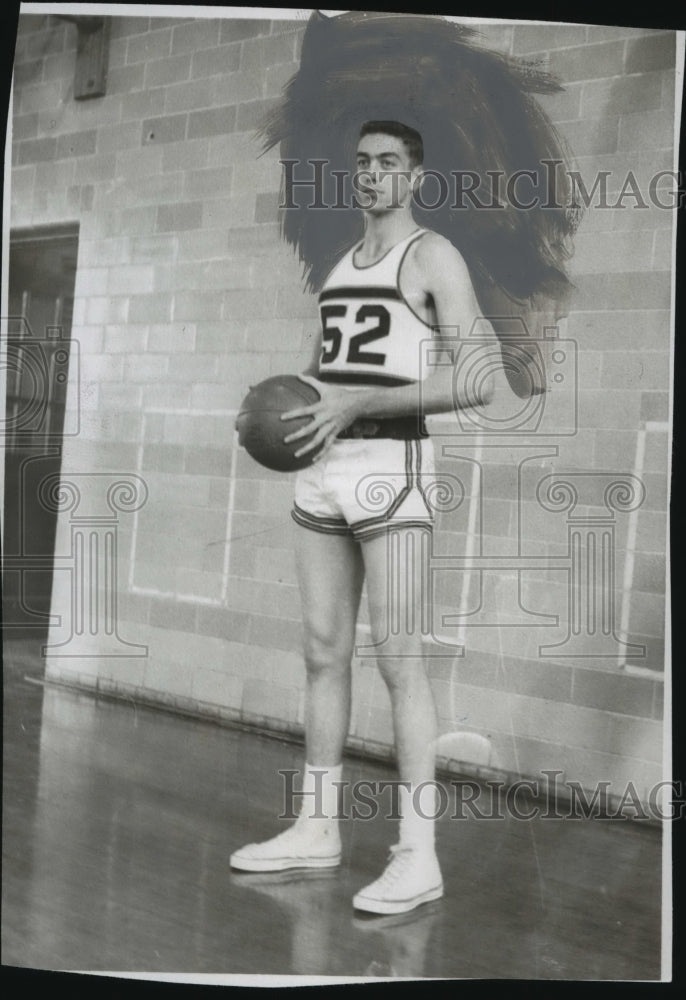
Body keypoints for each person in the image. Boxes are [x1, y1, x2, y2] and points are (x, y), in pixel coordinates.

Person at [230, 120, 500, 915]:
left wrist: (357, 402)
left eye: (389, 163)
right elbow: (317, 378)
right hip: (326, 471)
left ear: (415, 177)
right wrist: (267, 418)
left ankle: (419, 855)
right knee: (321, 654)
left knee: (400, 661)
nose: (372, 175)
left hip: (393, 467)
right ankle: (318, 828)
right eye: (362, 163)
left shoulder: (433, 256)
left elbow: (479, 381)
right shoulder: (342, 264)